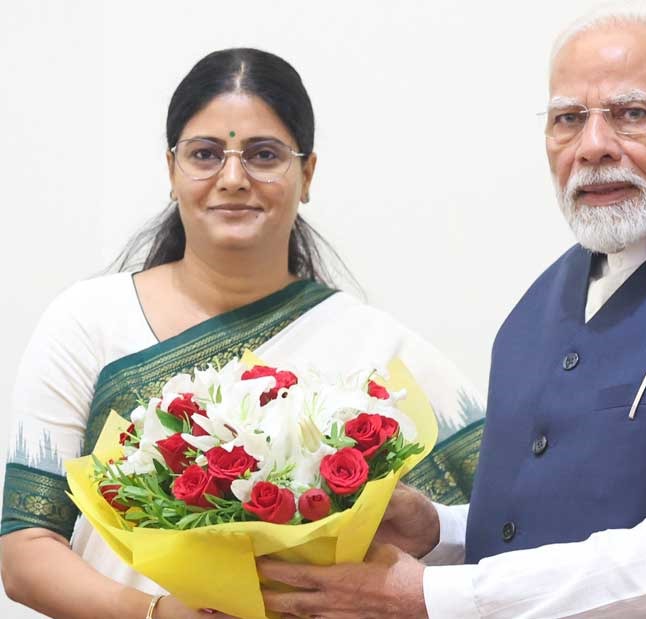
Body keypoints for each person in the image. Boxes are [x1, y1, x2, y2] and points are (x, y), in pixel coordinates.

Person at [255, 11, 646, 619]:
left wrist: (429, 598)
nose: (594, 146)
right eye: (569, 119)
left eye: (632, 114)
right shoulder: (540, 302)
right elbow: (551, 521)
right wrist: (438, 532)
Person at [0, 47, 484, 618]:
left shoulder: (375, 346)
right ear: (171, 170)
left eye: (263, 155)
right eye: (205, 154)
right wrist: (157, 614)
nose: (233, 178)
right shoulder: (89, 321)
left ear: (306, 175)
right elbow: (24, 550)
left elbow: (499, 529)